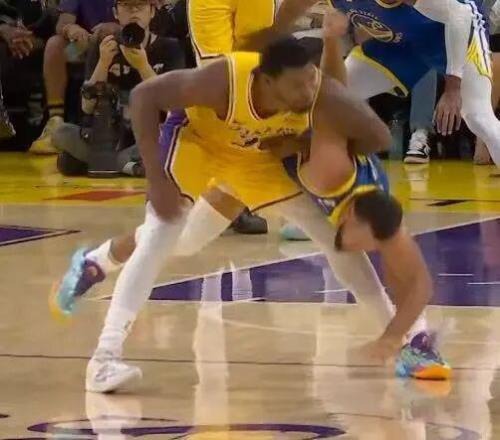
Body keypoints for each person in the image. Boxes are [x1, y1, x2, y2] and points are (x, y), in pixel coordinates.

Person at [61, 30, 445, 391]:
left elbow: (378, 136)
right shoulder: (223, 79)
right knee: (165, 231)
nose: (308, 90)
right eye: (297, 85)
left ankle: (412, 344)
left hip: (255, 158)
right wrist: (157, 179)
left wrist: (305, 143)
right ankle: (104, 358)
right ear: (266, 80)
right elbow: (145, 95)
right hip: (199, 143)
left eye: (311, 79)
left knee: (328, 240)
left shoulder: (321, 94)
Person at [52, 0, 184, 177]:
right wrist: (103, 63)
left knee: (174, 139)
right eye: (127, 6)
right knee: (60, 133)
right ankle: (128, 164)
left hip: (151, 133)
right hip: (111, 137)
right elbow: (87, 107)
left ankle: (104, 162)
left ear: (152, 11)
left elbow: (172, 106)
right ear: (116, 13)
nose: (134, 11)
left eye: (140, 6)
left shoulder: (170, 47)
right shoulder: (104, 47)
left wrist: (143, 66)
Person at [30, 0, 120, 154]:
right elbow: (63, 22)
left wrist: (116, 28)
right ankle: (55, 120)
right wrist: (70, 29)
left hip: (124, 42)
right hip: (86, 45)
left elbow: (146, 19)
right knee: (55, 45)